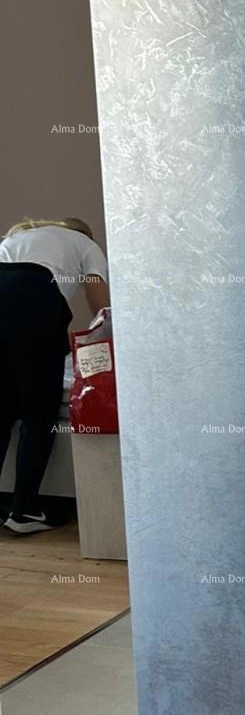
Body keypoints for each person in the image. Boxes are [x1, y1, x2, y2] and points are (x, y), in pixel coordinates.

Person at [0, 217, 110, 534]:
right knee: (39, 411)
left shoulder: (19, 239)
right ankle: (24, 512)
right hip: (32, 295)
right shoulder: (86, 244)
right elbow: (102, 309)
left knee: (3, 409)